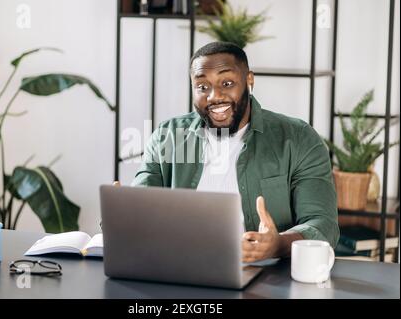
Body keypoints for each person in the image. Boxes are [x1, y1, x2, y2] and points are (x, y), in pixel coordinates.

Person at [130, 41, 339, 262]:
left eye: (227, 83)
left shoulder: (298, 138)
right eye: (202, 87)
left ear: (249, 81)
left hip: (264, 276)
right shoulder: (168, 136)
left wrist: (277, 244)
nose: (214, 96)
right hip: (177, 265)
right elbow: (139, 211)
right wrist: (125, 213)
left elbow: (323, 225)